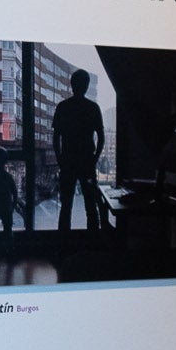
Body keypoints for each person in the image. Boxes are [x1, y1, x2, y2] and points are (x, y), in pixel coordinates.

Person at [51, 68, 106, 233]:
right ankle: (92, 243)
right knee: (91, 205)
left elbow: (56, 138)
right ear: (87, 86)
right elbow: (101, 137)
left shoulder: (63, 107)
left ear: (71, 85)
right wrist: (95, 158)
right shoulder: (93, 108)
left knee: (66, 205)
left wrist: (60, 159)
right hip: (87, 161)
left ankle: (64, 244)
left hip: (68, 161)